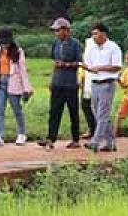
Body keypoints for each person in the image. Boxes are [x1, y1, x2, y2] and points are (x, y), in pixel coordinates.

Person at [39, 17, 83, 149]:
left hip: (70, 83)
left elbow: (80, 62)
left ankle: (75, 139)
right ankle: (50, 138)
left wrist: (67, 64)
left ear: (66, 30)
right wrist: (51, 80)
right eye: (55, 31)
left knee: (73, 111)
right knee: (54, 111)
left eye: (58, 30)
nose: (56, 33)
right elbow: (55, 62)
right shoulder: (55, 43)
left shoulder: (75, 44)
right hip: (58, 81)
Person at [82, 22, 123, 152]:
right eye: (92, 34)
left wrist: (100, 68)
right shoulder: (92, 48)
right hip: (94, 82)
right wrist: (86, 67)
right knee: (97, 113)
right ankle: (110, 143)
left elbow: (117, 66)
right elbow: (87, 63)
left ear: (103, 34)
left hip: (107, 83)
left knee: (103, 114)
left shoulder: (113, 47)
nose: (93, 37)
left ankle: (95, 141)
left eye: (96, 33)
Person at [0, 29, 32, 146]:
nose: (4, 44)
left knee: (17, 110)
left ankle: (21, 134)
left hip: (13, 82)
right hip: (0, 83)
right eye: (2, 42)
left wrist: (27, 88)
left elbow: (23, 71)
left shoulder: (18, 51)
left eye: (6, 42)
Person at [79, 37, 97, 140]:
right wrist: (81, 79)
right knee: (85, 105)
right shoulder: (85, 55)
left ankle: (99, 130)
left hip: (95, 82)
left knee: (96, 107)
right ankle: (92, 128)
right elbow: (83, 67)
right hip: (86, 82)